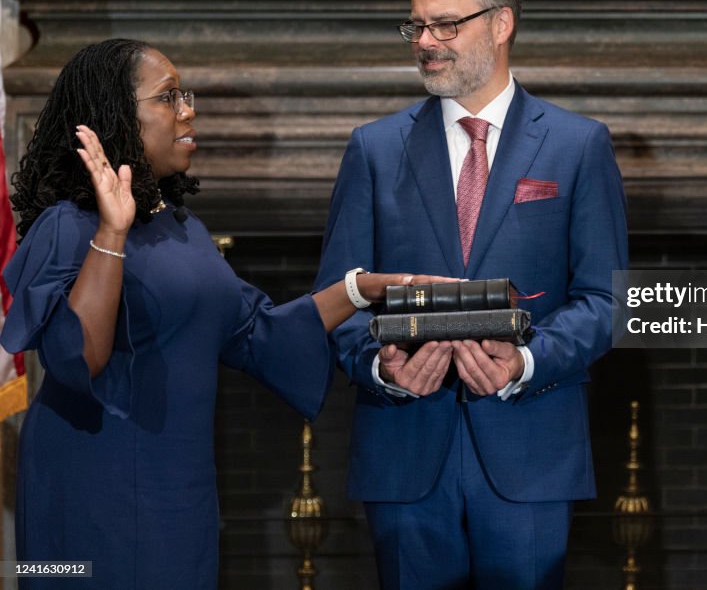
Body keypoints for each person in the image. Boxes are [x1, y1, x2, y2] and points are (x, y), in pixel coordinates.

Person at [0, 39, 447, 590]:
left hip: (179, 487)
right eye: (168, 98)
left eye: (184, 95)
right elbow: (78, 358)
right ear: (118, 115)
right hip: (92, 482)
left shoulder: (182, 228)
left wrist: (362, 289)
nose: (189, 110)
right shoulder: (70, 225)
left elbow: (256, 333)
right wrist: (112, 231)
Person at [315, 0, 629, 589]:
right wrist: (383, 366)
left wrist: (526, 361)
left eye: (445, 24)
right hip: (404, 456)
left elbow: (605, 301)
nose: (425, 40)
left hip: (531, 456)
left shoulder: (578, 146)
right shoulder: (373, 151)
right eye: (417, 25)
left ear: (502, 23)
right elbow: (338, 299)